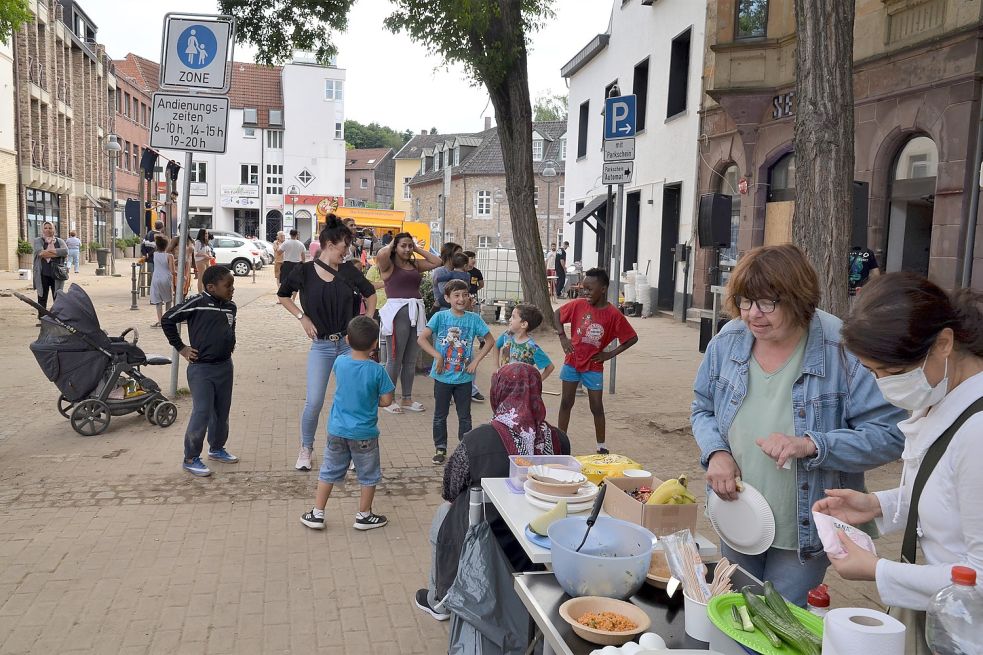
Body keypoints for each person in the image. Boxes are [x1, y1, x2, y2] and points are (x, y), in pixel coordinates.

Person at [691, 244, 906, 606]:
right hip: (737, 512)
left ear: (798, 298)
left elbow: (889, 436)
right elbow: (702, 409)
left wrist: (813, 444)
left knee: (778, 627)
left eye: (767, 303)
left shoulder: (843, 348)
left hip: (804, 530)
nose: (753, 315)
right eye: (744, 301)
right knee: (733, 617)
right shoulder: (729, 340)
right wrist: (716, 453)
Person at [812, 273, 983, 646]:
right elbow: (947, 494)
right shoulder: (942, 396)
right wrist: (878, 505)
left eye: (893, 372)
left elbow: (979, 580)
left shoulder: (977, 432)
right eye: (873, 373)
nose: (884, 385)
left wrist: (878, 570)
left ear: (944, 343)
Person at [415, 363, 571, 620]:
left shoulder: (480, 439)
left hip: (485, 530)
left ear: (499, 391)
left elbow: (450, 487)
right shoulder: (558, 439)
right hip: (540, 534)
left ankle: (439, 599)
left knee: (443, 515)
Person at [277, 214, 377, 472]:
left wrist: (363, 324)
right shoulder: (304, 271)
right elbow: (283, 295)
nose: (347, 250)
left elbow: (371, 294)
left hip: (348, 345)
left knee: (353, 398)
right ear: (330, 244)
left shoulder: (348, 271)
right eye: (345, 245)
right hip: (321, 345)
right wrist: (302, 317)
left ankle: (355, 450)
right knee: (315, 400)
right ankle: (306, 448)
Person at [300, 315, 396, 531]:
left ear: (348, 340)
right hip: (364, 433)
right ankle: (364, 515)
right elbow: (387, 400)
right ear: (374, 344)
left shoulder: (340, 362)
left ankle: (317, 513)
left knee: (329, 471)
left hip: (337, 430)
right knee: (368, 475)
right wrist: (375, 399)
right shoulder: (377, 370)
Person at [162, 266, 239, 477]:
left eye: (232, 285)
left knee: (221, 412)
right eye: (228, 286)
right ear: (211, 287)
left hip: (225, 366)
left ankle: (216, 448)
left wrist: (231, 341)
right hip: (201, 370)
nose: (232, 289)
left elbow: (231, 326)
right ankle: (191, 457)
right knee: (202, 412)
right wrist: (182, 348)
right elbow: (168, 319)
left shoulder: (230, 306)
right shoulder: (197, 303)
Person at [555, 268, 638, 454]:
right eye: (584, 289)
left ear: (603, 289)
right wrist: (562, 337)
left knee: (596, 406)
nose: (585, 292)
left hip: (594, 365)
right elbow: (556, 315)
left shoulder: (613, 314)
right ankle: (560, 443)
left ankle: (601, 446)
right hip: (572, 361)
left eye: (589, 289)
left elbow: (632, 338)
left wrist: (609, 354)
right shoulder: (578, 305)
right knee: (566, 402)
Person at [418, 279, 494, 465]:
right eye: (456, 295)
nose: (461, 299)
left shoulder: (474, 319)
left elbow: (490, 341)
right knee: (440, 414)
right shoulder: (440, 317)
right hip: (442, 376)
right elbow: (422, 339)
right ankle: (440, 447)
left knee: (465, 416)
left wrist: (476, 361)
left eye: (465, 295)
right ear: (447, 298)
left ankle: (464, 449)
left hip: (464, 378)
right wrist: (438, 356)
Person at [376, 232, 443, 413]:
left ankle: (407, 398)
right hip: (397, 313)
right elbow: (381, 254)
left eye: (409, 246)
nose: (407, 249)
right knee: (394, 359)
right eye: (403, 246)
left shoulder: (414, 264)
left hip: (416, 313)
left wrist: (416, 247)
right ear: (395, 247)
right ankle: (388, 399)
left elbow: (437, 262)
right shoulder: (387, 265)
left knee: (411, 359)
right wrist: (393, 243)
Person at [496, 303, 554, 381]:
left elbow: (550, 367)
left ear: (523, 324)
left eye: (513, 317)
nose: (509, 319)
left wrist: (536, 383)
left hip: (520, 390)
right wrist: (496, 367)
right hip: (502, 383)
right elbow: (496, 346)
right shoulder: (507, 335)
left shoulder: (532, 347)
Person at [32, 221, 68, 323]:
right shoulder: (38, 240)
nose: (48, 230)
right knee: (42, 296)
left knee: (57, 296)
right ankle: (42, 319)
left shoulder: (60, 241)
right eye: (46, 228)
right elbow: (40, 253)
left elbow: (65, 251)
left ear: (54, 229)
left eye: (50, 228)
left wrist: (48, 253)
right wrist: (57, 253)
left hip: (57, 273)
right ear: (43, 229)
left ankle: (57, 318)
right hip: (43, 273)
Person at [149, 235, 176, 328]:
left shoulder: (155, 255)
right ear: (167, 245)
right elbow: (172, 271)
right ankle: (167, 320)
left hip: (156, 278)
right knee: (168, 300)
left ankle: (160, 321)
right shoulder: (169, 256)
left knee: (158, 301)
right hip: (166, 278)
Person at [431, 242, 465, 310]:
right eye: (458, 254)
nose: (461, 257)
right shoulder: (440, 271)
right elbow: (444, 291)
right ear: (449, 255)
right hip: (444, 309)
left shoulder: (459, 271)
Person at [278, 229, 307, 300]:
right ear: (297, 235)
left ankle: (284, 297)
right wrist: (302, 264)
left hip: (287, 264)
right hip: (297, 265)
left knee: (284, 281)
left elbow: (279, 252)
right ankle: (293, 298)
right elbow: (303, 257)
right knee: (295, 282)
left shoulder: (286, 243)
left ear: (290, 235)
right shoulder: (301, 244)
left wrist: (279, 245)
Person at [193, 229, 213, 293]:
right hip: (200, 261)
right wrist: (204, 255)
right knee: (201, 277)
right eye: (205, 233)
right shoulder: (198, 242)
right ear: (201, 234)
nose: (206, 235)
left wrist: (210, 256)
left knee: (207, 277)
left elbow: (208, 251)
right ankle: (200, 292)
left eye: (207, 233)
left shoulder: (206, 242)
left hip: (207, 260)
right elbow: (195, 253)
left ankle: (205, 291)